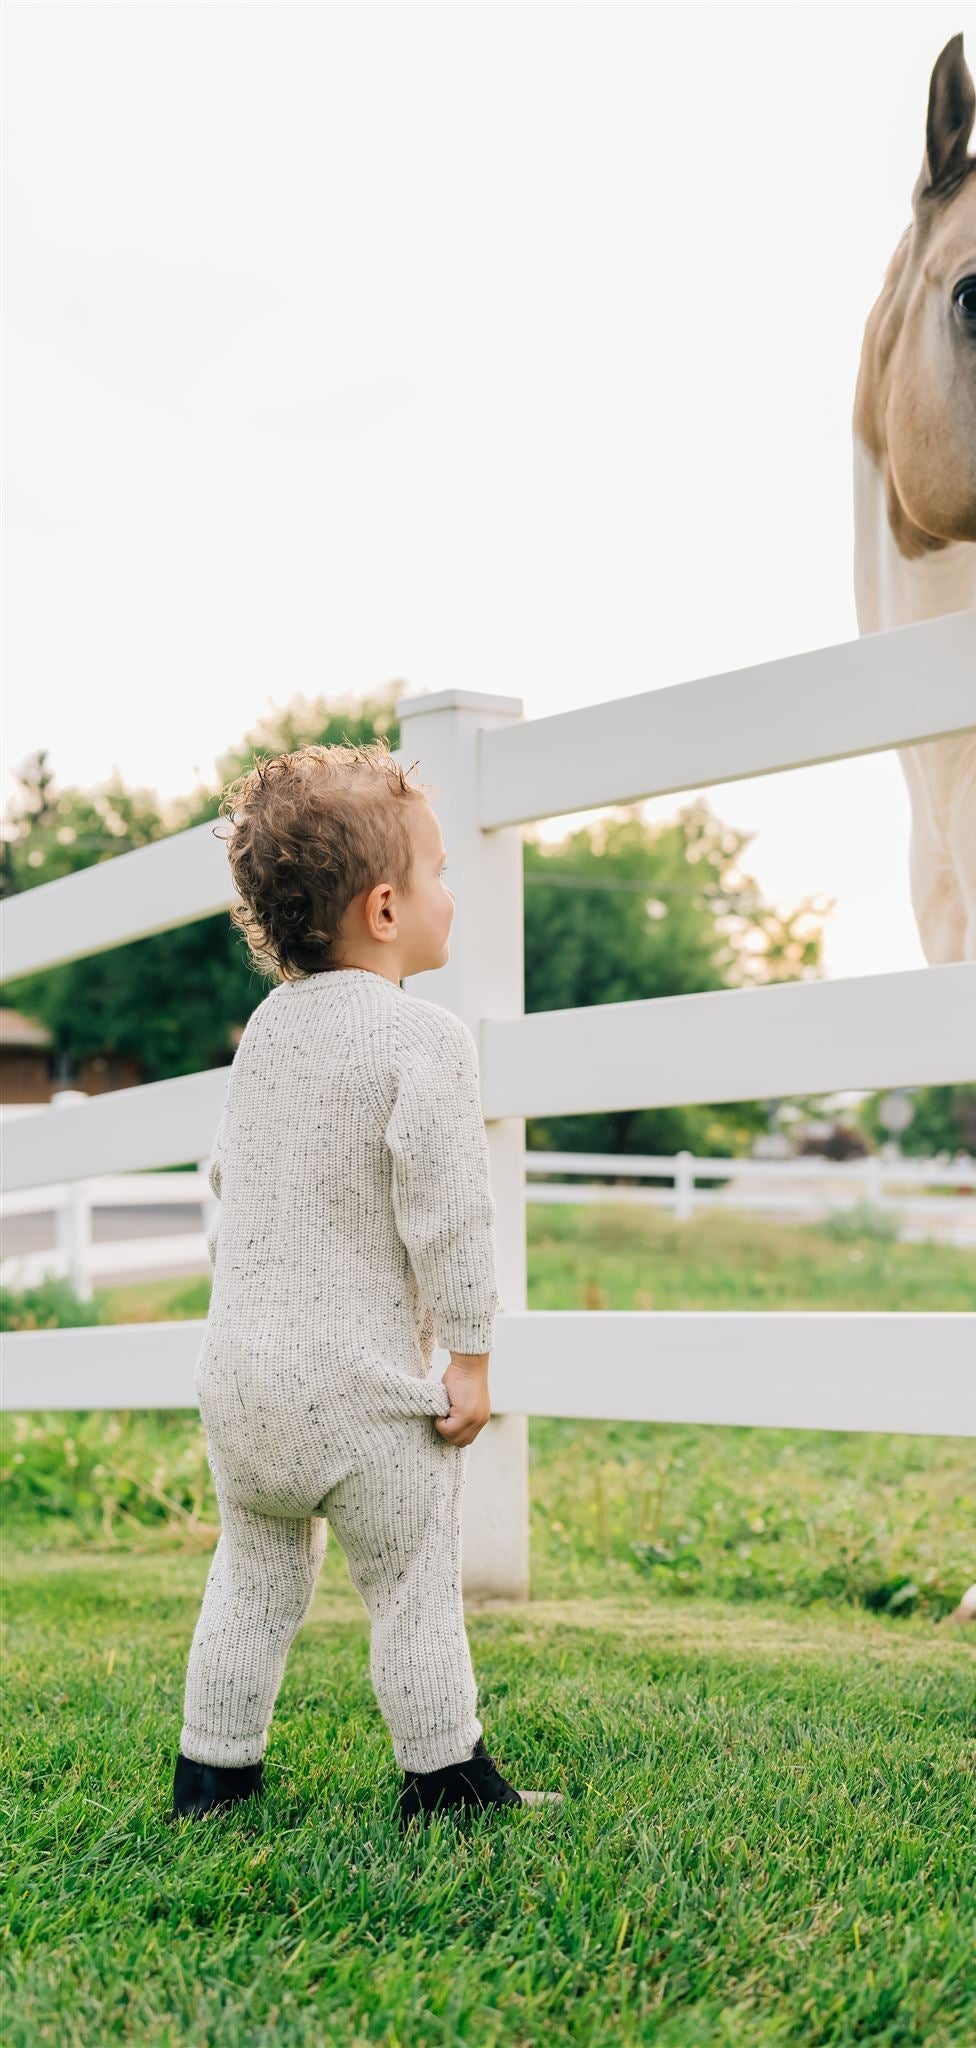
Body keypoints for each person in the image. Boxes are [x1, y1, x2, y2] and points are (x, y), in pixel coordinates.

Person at [172, 739, 561, 1825]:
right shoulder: (421, 1040)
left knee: (251, 1579)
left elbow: (223, 1172)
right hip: (360, 1394)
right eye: (440, 870)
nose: (452, 890)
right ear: (386, 908)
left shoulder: (264, 1036)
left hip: (242, 1386)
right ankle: (446, 1779)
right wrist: (471, 1356)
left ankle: (214, 1776)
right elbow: (450, 1210)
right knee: (410, 1582)